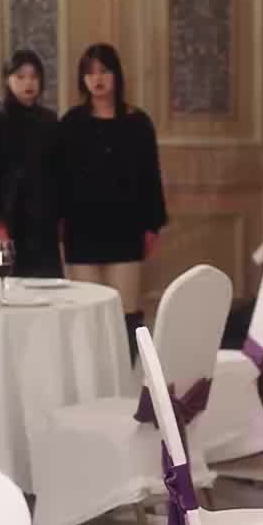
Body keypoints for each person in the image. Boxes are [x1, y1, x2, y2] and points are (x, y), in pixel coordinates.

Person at [57, 44, 167, 355]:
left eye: (104, 71)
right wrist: (58, 223)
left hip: (126, 230)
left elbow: (151, 177)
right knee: (87, 314)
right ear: (82, 79)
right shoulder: (71, 123)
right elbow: (59, 179)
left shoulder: (138, 122)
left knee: (125, 313)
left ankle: (125, 375)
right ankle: (92, 376)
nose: (98, 79)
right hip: (82, 231)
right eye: (90, 73)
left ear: (116, 74)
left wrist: (152, 226)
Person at [0, 48, 62, 277]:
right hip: (10, 219)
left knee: (49, 287)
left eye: (34, 76)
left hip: (45, 221)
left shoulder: (50, 120)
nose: (28, 83)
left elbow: (59, 172)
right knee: (10, 285)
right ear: (8, 80)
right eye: (20, 76)